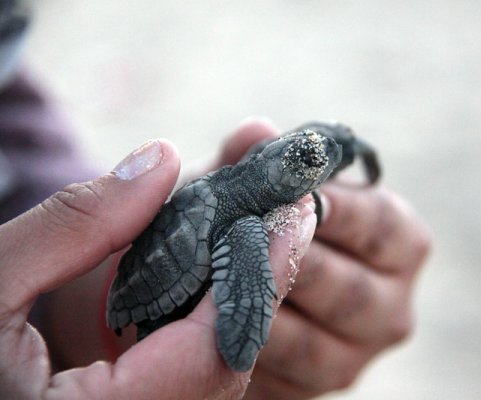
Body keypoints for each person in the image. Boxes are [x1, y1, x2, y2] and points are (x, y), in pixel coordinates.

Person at [0, 4, 431, 400]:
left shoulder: (259, 166)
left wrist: (77, 302)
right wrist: (237, 347)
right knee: (242, 307)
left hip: (103, 287)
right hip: (148, 292)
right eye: (311, 163)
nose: (322, 159)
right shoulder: (244, 225)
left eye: (319, 158)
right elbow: (240, 327)